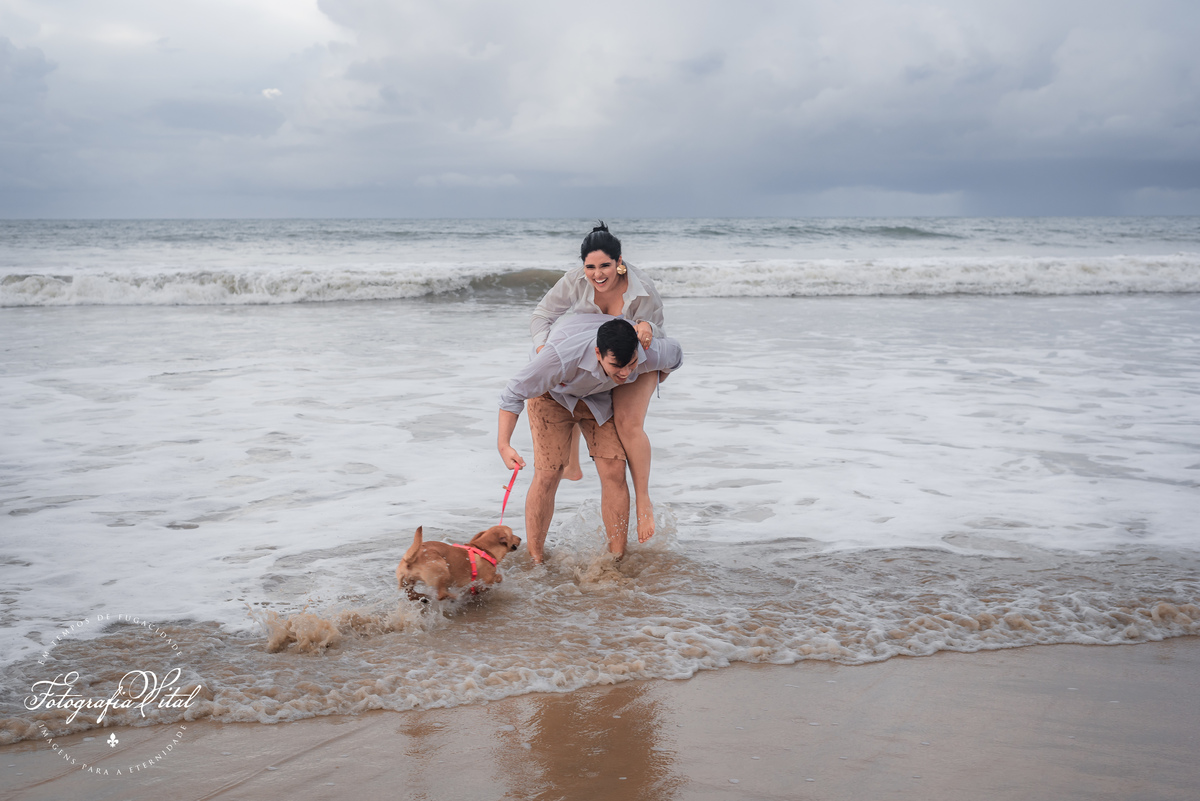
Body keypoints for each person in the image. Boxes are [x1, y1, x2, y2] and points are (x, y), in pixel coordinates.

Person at [498, 315, 683, 563]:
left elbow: (677, 355)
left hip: (598, 399)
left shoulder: (648, 351)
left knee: (615, 470)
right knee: (549, 473)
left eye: (632, 364)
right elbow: (513, 393)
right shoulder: (559, 357)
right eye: (618, 366)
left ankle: (616, 559)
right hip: (553, 396)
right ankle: (536, 559)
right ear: (598, 353)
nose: (627, 373)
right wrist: (504, 445)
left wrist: (661, 376)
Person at [530, 222, 666, 543]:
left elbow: (660, 330)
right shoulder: (575, 281)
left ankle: (638, 512)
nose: (598, 274)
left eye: (605, 265)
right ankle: (572, 463)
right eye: (590, 267)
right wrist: (543, 349)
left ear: (619, 261)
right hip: (582, 359)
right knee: (573, 383)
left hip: (624, 360)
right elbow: (541, 315)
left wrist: (646, 325)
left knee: (625, 432)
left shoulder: (642, 288)